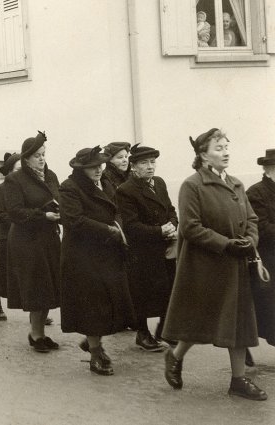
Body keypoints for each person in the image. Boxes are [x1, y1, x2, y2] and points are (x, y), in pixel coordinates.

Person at [162, 128, 267, 401]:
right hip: (205, 266)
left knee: (240, 322)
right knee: (200, 320)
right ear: (203, 155)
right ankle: (174, 357)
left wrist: (249, 240)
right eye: (219, 148)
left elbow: (252, 219)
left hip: (236, 265)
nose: (226, 152)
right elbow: (190, 226)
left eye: (226, 146)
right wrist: (226, 244)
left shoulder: (236, 184)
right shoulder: (192, 185)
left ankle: (238, 381)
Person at [60, 146, 135, 375]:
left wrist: (118, 226)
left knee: (107, 302)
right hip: (83, 256)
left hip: (107, 252)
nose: (99, 170)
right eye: (93, 167)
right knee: (93, 305)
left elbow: (117, 209)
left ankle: (93, 341)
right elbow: (75, 220)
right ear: (81, 169)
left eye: (100, 165)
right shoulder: (69, 188)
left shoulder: (105, 183)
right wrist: (107, 230)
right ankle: (95, 353)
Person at [116, 144, 177, 352]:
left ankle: (164, 329)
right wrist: (160, 231)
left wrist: (172, 225)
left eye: (152, 162)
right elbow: (131, 225)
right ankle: (142, 333)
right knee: (142, 293)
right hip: (141, 251)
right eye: (144, 163)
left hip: (164, 247)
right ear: (133, 166)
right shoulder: (126, 190)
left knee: (167, 287)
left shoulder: (159, 183)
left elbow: (170, 209)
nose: (150, 167)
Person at [4, 133, 62, 352]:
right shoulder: (15, 179)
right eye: (37, 155)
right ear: (26, 158)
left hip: (49, 238)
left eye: (44, 154)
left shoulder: (51, 176)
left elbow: (60, 199)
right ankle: (36, 335)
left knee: (49, 289)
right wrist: (43, 216)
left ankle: (40, 333)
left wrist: (60, 213)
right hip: (27, 241)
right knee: (37, 288)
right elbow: (15, 212)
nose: (41, 159)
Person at [246, 148, 275, 367]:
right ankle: (241, 344)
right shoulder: (256, 193)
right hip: (266, 259)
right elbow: (261, 228)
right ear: (269, 169)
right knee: (263, 308)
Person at [0, 153, 21, 321]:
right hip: (7, 237)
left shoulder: (27, 188)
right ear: (9, 171)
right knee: (2, 273)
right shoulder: (0, 189)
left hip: (25, 237)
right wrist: (21, 219)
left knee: (26, 274)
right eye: (17, 169)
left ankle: (36, 311)